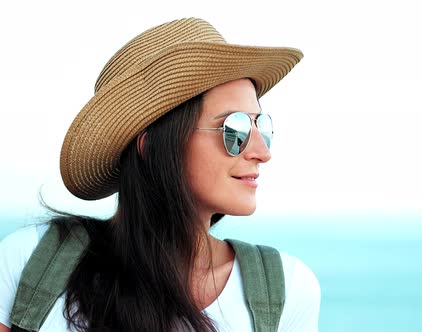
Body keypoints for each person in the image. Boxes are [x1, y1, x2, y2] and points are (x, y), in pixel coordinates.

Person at [0, 17, 320, 331]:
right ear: (152, 146)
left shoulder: (285, 292)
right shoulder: (31, 263)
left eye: (260, 126)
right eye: (233, 128)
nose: (261, 152)